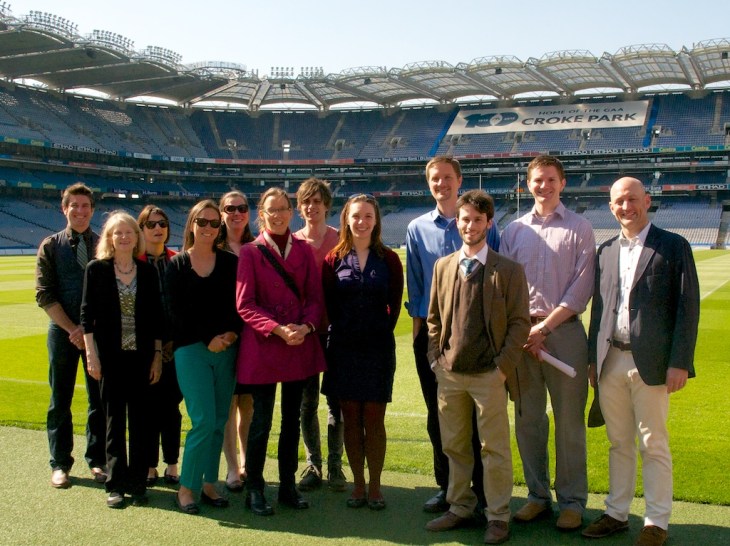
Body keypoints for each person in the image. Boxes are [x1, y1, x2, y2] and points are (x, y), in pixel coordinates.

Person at [582, 178, 699, 546]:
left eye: (633, 199)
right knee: (618, 442)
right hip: (610, 359)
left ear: (647, 201)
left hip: (651, 362)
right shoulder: (605, 250)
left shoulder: (673, 246)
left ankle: (656, 522)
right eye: (619, 201)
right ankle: (617, 513)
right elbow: (598, 311)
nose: (626, 206)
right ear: (611, 206)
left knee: (653, 443)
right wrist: (592, 361)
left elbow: (687, 307)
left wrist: (679, 362)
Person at [425, 190, 529, 544]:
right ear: (458, 222)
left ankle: (498, 515)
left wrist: (501, 368)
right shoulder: (443, 266)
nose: (470, 225)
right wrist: (436, 360)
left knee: (494, 449)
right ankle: (460, 506)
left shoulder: (509, 270)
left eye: (477, 220)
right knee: (454, 445)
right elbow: (434, 319)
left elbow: (520, 323)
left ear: (489, 223)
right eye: (465, 219)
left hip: (489, 375)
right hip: (450, 373)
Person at [500, 155, 595, 531]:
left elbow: (580, 290)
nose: (544, 185)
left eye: (551, 179)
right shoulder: (514, 230)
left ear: (562, 183)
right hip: (522, 336)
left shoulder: (580, 228)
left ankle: (572, 501)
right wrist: (524, 330)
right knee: (528, 420)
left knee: (570, 423)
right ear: (528, 184)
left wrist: (545, 329)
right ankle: (537, 496)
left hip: (565, 334)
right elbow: (503, 287)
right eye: (537, 180)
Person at [405, 156, 500, 513]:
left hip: (477, 337)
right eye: (434, 178)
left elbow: (498, 276)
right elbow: (416, 285)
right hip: (434, 338)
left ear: (459, 180)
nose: (441, 183)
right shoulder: (416, 228)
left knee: (478, 419)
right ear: (428, 182)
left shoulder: (481, 222)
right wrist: (422, 344)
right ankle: (447, 487)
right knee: (438, 414)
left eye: (447, 177)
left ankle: (482, 490)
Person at [236, 187, 327, 516]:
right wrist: (278, 329)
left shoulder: (302, 250)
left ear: (291, 213)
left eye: (283, 209)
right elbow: (245, 305)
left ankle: (287, 485)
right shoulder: (251, 252)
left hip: (298, 347)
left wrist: (305, 327)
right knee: (261, 422)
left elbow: (315, 299)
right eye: (270, 210)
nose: (277, 215)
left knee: (292, 421)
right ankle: (255, 489)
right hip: (264, 347)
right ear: (262, 214)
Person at [321, 194, 404, 510]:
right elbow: (329, 304)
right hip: (343, 349)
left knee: (374, 420)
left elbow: (394, 305)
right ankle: (357, 485)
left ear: (376, 221)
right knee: (350, 419)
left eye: (368, 216)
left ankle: (376, 486)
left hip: (377, 349)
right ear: (346, 219)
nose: (361, 221)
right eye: (356, 216)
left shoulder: (389, 259)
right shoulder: (333, 259)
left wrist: (376, 331)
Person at [81, 211, 163, 508]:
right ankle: (116, 484)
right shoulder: (97, 270)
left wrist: (156, 357)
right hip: (111, 359)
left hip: (141, 358)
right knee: (114, 422)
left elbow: (156, 319)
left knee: (142, 422)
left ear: (136, 236)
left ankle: (138, 482)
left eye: (129, 231)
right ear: (110, 238)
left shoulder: (148, 272)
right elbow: (86, 317)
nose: (124, 237)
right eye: (118, 233)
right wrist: (92, 355)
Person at [165, 200, 242, 515]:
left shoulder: (229, 262)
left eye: (214, 223)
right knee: (203, 421)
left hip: (227, 348)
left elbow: (240, 304)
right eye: (203, 222)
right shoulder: (177, 264)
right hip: (191, 350)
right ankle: (187, 488)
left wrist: (232, 334)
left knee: (220, 420)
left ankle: (209, 483)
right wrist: (207, 338)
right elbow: (175, 311)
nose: (209, 228)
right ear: (192, 224)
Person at [35, 182, 107, 489]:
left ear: (92, 210)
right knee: (59, 399)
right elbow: (44, 295)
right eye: (74, 205)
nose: (80, 211)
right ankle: (60, 463)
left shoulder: (105, 244)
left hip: (97, 334)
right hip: (63, 333)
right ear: (64, 209)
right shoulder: (50, 246)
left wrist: (89, 330)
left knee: (99, 400)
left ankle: (97, 460)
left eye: (85, 206)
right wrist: (73, 329)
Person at [292, 178, 347, 493]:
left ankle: (336, 466)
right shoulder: (292, 242)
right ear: (300, 208)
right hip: (304, 335)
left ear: (327, 205)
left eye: (317, 201)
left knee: (335, 402)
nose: (311, 207)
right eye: (306, 202)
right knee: (306, 403)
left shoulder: (341, 241)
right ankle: (314, 463)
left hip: (336, 332)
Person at [136, 205, 182, 486]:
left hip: (176, 348)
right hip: (144, 348)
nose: (157, 228)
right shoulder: (134, 263)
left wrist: (172, 341)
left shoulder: (178, 261)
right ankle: (150, 464)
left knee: (172, 408)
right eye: (151, 224)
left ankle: (172, 463)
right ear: (142, 229)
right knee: (148, 408)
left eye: (162, 223)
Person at [217, 191, 255, 493]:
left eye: (242, 208)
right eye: (230, 208)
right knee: (228, 403)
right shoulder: (212, 247)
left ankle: (247, 462)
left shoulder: (257, 247)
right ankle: (231, 467)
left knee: (248, 404)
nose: (236, 213)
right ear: (221, 213)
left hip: (253, 336)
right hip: (224, 336)